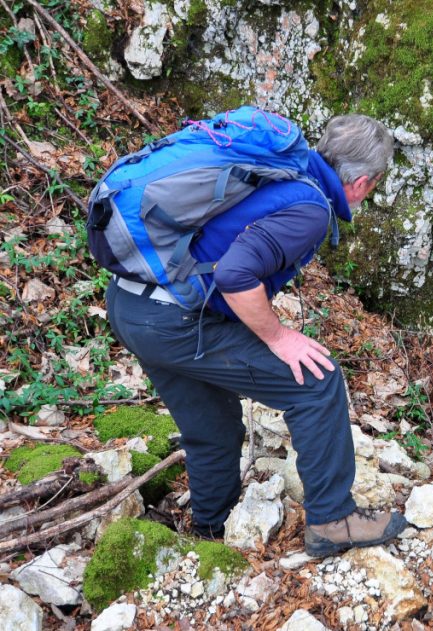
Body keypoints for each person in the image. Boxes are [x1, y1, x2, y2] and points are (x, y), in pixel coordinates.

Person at [104, 114, 407, 557]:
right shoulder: (310, 208)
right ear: (362, 183)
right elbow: (235, 273)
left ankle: (210, 533)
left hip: (132, 306)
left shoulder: (284, 170)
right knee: (317, 383)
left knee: (213, 426)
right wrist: (279, 337)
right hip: (172, 321)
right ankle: (333, 520)